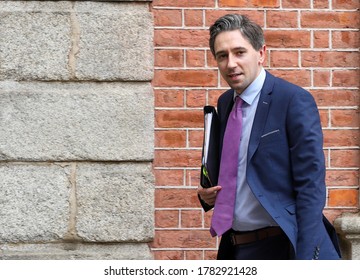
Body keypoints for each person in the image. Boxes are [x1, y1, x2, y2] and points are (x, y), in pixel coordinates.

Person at [198, 14, 341, 260]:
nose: (231, 63)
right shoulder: (225, 103)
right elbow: (236, 172)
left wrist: (305, 259)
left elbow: (311, 185)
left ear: (261, 53)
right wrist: (207, 196)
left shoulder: (292, 100)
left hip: (283, 245)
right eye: (222, 55)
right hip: (234, 246)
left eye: (239, 52)